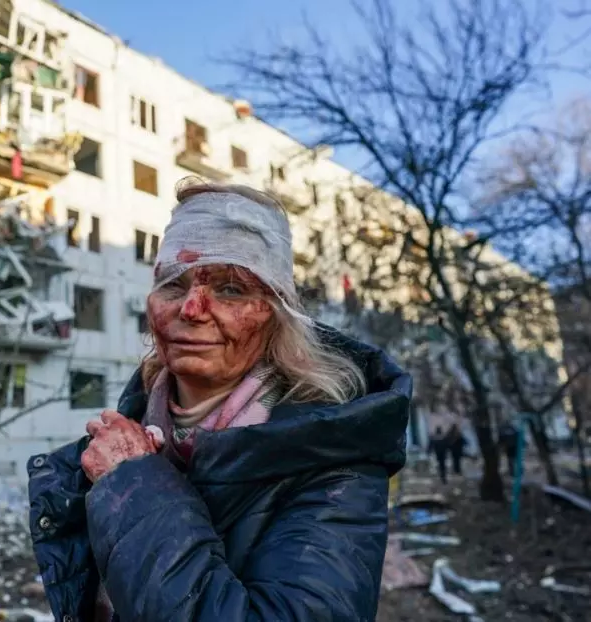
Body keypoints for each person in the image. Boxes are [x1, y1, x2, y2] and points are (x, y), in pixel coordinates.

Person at [27, 181, 411, 621]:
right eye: (173, 285)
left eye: (230, 289)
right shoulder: (125, 433)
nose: (191, 308)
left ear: (277, 315)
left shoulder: (333, 462)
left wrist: (134, 485)